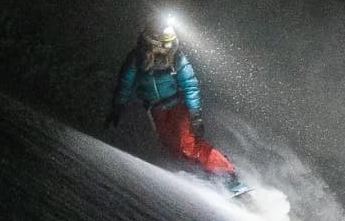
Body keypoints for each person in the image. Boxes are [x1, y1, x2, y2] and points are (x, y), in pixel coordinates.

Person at [104, 19, 245, 193]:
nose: (166, 49)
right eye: (163, 46)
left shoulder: (177, 58)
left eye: (169, 45)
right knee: (171, 145)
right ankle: (206, 175)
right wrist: (118, 106)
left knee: (187, 144)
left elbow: (190, 84)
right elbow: (125, 83)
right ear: (151, 43)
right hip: (155, 108)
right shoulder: (137, 59)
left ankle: (228, 174)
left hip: (177, 105)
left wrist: (195, 114)